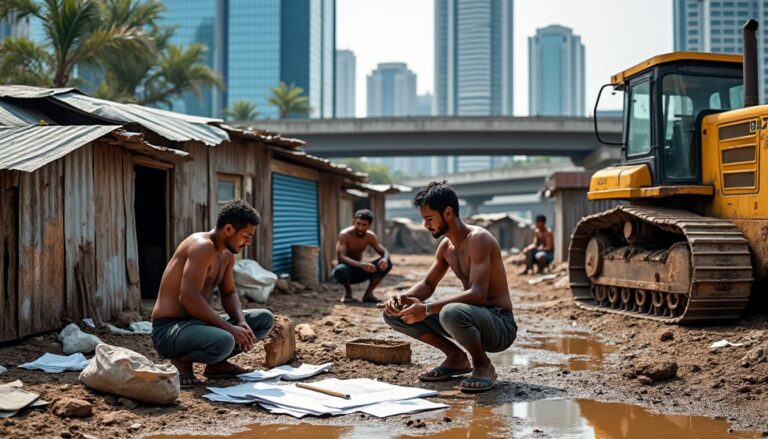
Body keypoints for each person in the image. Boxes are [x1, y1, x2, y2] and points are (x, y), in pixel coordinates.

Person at [381, 182, 517, 393]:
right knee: (395, 313)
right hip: (472, 317)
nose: (426, 225)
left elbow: (478, 294)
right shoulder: (446, 246)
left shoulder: (479, 239)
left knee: (450, 312)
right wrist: (401, 298)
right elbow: (427, 285)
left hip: (499, 324)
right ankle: (456, 358)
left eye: (429, 219)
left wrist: (426, 309)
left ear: (448, 213)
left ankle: (483, 365)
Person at [150, 200, 275, 388]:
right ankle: (181, 360)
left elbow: (229, 293)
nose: (248, 242)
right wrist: (229, 328)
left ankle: (217, 365)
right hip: (169, 329)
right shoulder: (202, 246)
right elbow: (188, 297)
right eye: (246, 236)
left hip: (198, 324)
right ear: (229, 229)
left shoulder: (227, 255)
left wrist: (240, 322)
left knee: (263, 319)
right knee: (225, 339)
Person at [331, 209, 393, 303]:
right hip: (346, 272)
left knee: (387, 263)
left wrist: (384, 259)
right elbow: (341, 257)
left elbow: (384, 251)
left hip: (361, 271)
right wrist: (361, 265)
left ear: (369, 226)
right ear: (353, 222)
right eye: (358, 224)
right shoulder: (344, 235)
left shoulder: (370, 236)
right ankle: (348, 294)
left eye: (364, 225)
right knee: (340, 269)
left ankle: (368, 294)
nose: (360, 228)